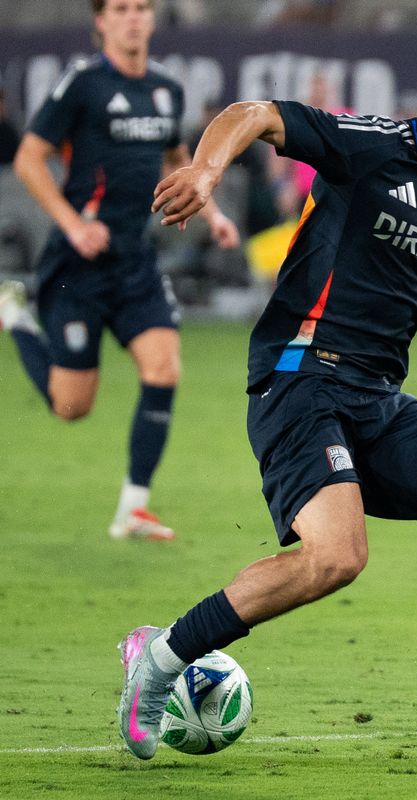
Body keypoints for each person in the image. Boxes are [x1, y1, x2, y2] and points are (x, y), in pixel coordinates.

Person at [113, 32, 417, 761]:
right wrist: (207, 171)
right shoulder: (367, 144)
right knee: (336, 557)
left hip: (376, 397)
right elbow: (256, 112)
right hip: (300, 378)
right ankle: (163, 656)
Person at [0, 0, 239, 541]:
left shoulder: (165, 89)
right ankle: (14, 316)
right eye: (122, 8)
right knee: (71, 406)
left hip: (134, 260)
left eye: (142, 8)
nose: (134, 17)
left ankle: (133, 508)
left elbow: (178, 159)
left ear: (152, 19)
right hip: (77, 264)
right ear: (101, 22)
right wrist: (73, 224)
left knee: (164, 368)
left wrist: (216, 214)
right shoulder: (81, 84)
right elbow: (28, 159)